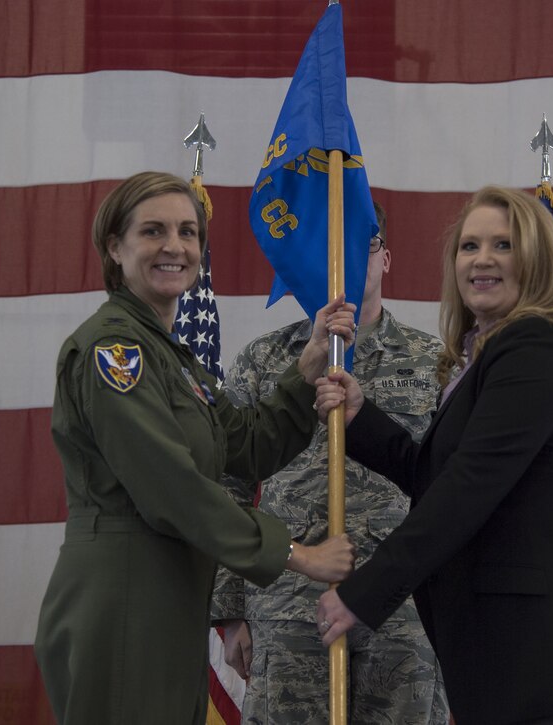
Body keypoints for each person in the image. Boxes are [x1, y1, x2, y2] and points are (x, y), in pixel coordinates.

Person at [314, 186, 553, 724]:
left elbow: (469, 486)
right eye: (469, 245)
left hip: (551, 655)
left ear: (537, 259)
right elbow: (442, 475)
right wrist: (362, 419)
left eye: (503, 245)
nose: (482, 259)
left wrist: (365, 594)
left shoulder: (537, 344)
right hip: (517, 657)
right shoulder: (487, 354)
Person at [34, 171, 356, 725]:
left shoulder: (172, 359)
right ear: (115, 247)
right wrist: (296, 555)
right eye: (153, 231)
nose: (175, 246)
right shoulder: (116, 351)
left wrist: (304, 374)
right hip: (126, 596)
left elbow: (246, 445)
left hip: (168, 598)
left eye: (188, 232)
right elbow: (170, 486)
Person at [212, 202, 449, 724]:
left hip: (404, 613)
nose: (343, 261)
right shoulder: (264, 359)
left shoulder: (437, 362)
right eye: (329, 248)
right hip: (287, 606)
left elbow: (454, 488)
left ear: (385, 258)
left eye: (360, 245)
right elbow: (226, 483)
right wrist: (230, 611)